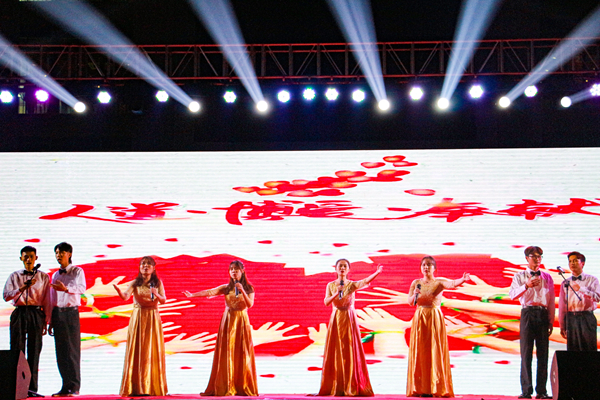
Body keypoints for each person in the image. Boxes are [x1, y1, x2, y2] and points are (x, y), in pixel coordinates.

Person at [183, 260, 258, 396]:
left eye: (236, 269)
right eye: (231, 269)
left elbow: (250, 304)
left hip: (241, 321)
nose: (233, 272)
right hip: (228, 320)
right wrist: (193, 295)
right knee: (227, 351)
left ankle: (242, 385)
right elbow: (210, 292)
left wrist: (242, 290)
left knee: (242, 351)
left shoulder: (249, 288)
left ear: (242, 271)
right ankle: (226, 385)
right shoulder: (226, 287)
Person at [316, 259, 383, 396]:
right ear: (335, 269)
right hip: (336, 318)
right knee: (336, 350)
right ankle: (337, 384)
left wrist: (377, 272)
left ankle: (351, 384)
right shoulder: (331, 285)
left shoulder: (352, 285)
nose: (342, 268)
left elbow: (365, 281)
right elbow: (326, 302)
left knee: (349, 349)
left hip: (348, 318)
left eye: (344, 266)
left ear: (348, 269)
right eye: (340, 266)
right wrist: (337, 293)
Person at [406, 255, 471, 398]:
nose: (426, 267)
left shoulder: (439, 282)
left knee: (434, 351)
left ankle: (435, 387)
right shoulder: (416, 283)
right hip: (420, 318)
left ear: (434, 268)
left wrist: (462, 279)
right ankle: (421, 388)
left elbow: (452, 283)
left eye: (429, 264)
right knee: (420, 352)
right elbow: (410, 302)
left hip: (434, 317)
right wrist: (415, 294)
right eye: (424, 264)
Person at [113, 256, 168, 396]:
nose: (145, 266)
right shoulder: (135, 283)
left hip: (152, 317)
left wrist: (156, 294)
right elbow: (125, 297)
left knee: (151, 349)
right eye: (143, 264)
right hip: (138, 317)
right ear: (139, 267)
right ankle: (135, 387)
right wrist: (119, 292)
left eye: (149, 264)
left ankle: (151, 386)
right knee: (137, 349)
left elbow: (163, 301)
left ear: (154, 268)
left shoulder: (157, 283)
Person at [3, 246, 51, 398]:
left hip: (36, 313)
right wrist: (21, 288)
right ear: (21, 258)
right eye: (25, 257)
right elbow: (6, 296)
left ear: (36, 258)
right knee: (17, 351)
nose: (28, 259)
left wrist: (46, 321)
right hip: (19, 312)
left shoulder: (43, 277)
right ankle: (17, 389)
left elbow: (47, 300)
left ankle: (32, 388)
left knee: (34, 350)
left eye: (31, 256)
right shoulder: (14, 276)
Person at [509, 246, 554, 400]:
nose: (537, 259)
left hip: (542, 314)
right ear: (526, 258)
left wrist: (550, 321)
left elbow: (551, 300)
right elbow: (512, 295)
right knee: (526, 353)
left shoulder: (547, 277)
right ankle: (526, 391)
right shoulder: (519, 276)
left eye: (539, 256)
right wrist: (526, 286)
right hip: (527, 312)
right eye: (533, 256)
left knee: (543, 354)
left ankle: (541, 391)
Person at [49, 242, 86, 397]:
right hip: (58, 314)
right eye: (56, 253)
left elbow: (82, 288)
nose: (58, 255)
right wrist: (50, 320)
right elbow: (52, 298)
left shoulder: (77, 271)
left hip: (71, 313)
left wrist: (66, 289)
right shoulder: (55, 275)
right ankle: (65, 386)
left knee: (72, 350)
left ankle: (75, 387)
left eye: (61, 252)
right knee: (61, 352)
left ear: (69, 254)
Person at [558, 251, 599, 351]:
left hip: (587, 317)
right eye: (570, 261)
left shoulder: (592, 280)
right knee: (573, 350)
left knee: (589, 349)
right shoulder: (565, 282)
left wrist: (580, 289)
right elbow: (562, 305)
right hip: (571, 318)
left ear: (582, 263)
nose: (572, 263)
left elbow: (597, 298)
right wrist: (562, 324)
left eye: (575, 261)